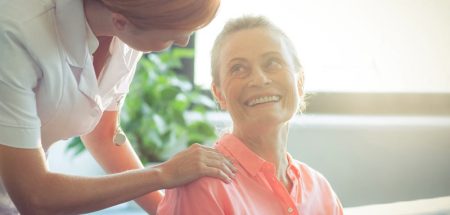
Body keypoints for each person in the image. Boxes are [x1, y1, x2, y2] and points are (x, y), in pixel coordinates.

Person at [0, 0, 238, 214]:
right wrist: (164, 174)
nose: (184, 40)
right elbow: (34, 195)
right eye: (171, 35)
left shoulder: (125, 30)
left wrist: (164, 210)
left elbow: (103, 134)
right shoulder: (15, 33)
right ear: (120, 21)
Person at [157, 16, 344, 215]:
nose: (259, 79)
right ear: (219, 94)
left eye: (273, 63)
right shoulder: (202, 186)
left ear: (300, 83)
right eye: (238, 68)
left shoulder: (320, 189)